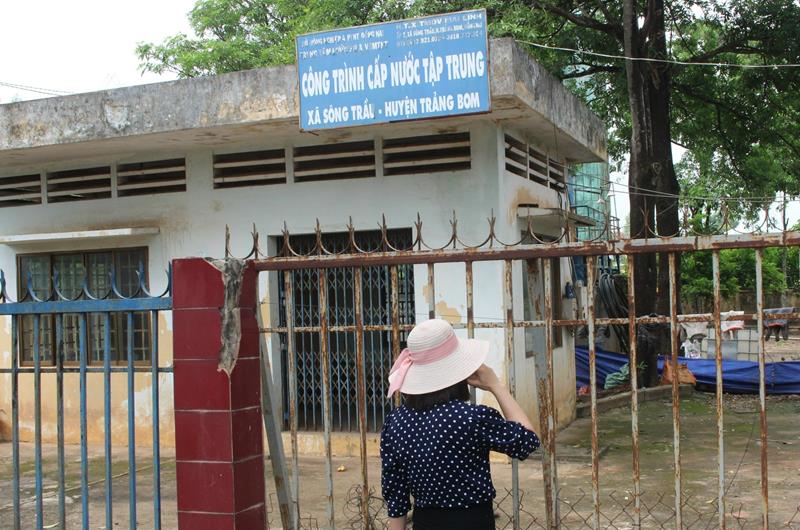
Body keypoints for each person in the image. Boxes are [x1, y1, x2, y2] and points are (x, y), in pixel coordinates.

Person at [380, 319, 540, 530]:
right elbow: (527, 441)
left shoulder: (395, 422)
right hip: (472, 522)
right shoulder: (471, 418)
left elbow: (396, 493)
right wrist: (496, 386)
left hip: (424, 522)